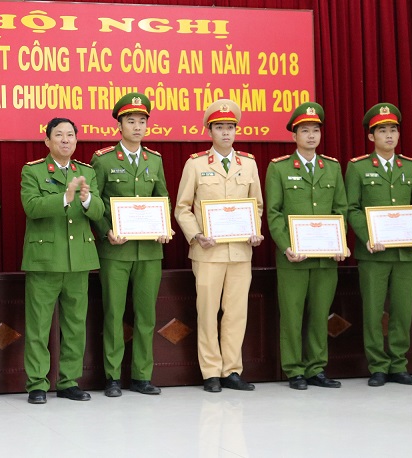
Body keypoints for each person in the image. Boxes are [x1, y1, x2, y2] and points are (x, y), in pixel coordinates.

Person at [174, 99, 264, 393]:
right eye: (219, 127)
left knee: (236, 313)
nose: (226, 132)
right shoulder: (196, 164)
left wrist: (254, 231)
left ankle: (232, 371)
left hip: (240, 251)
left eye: (230, 127)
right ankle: (211, 371)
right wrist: (197, 235)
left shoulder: (248, 164)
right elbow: (182, 208)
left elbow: (257, 206)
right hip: (208, 251)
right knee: (208, 312)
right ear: (209, 131)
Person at [90, 93, 170, 397]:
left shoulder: (155, 160)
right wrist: (106, 231)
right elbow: (95, 202)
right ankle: (112, 376)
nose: (137, 127)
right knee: (113, 314)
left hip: (149, 250)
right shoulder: (104, 159)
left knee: (146, 315)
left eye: (142, 121)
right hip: (116, 249)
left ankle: (141, 376)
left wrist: (164, 226)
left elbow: (162, 198)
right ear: (120, 125)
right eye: (131, 121)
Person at [21, 117, 104, 404]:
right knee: (38, 325)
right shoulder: (33, 170)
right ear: (47, 141)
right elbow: (31, 207)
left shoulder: (87, 172)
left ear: (76, 140)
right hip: (44, 260)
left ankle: (69, 381)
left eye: (70, 135)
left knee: (75, 325)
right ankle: (37, 383)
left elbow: (99, 211)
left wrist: (86, 200)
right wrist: (65, 198)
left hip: (78, 260)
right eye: (59, 135)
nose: (65, 140)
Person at [265, 102, 347, 390]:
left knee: (320, 314)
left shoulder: (332, 168)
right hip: (294, 257)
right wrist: (286, 245)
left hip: (325, 257)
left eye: (315, 130)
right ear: (294, 135)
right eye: (304, 131)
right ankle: (294, 369)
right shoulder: (279, 168)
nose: (311, 136)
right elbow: (273, 213)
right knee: (292, 314)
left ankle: (316, 367)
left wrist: (340, 241)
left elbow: (340, 209)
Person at [345, 103, 412, 387]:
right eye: (382, 131)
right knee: (373, 311)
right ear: (371, 137)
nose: (389, 135)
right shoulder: (358, 167)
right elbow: (352, 208)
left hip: (405, 254)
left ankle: (399, 365)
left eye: (393, 129)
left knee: (402, 311)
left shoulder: (411, 166)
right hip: (374, 254)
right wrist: (368, 237)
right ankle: (378, 366)